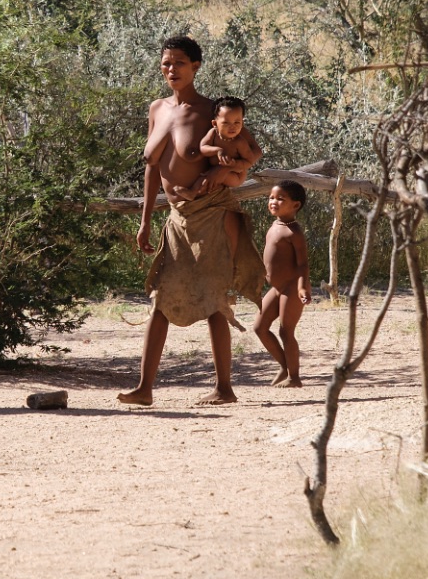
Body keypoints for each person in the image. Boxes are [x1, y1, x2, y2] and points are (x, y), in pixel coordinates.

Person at [119, 37, 265, 407]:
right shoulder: (157, 108)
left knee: (213, 296)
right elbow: (152, 168)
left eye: (179, 63)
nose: (171, 70)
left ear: (196, 66)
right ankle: (144, 389)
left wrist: (216, 175)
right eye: (166, 63)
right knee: (162, 297)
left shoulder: (213, 113)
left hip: (211, 213)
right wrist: (146, 220)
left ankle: (224, 388)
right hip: (176, 216)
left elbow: (245, 161)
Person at [169, 95, 263, 259]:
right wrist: (217, 151)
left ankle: (194, 192)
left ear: (242, 122)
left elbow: (248, 161)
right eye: (226, 123)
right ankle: (194, 192)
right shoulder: (213, 134)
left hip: (235, 175)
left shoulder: (239, 142)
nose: (232, 127)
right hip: (218, 169)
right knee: (207, 175)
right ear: (214, 123)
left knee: (212, 175)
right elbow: (203, 147)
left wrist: (230, 166)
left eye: (237, 122)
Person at [254, 180, 311, 387]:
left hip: (291, 288)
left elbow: (303, 264)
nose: (273, 201)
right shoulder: (274, 226)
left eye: (280, 199)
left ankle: (294, 378)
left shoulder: (293, 232)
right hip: (276, 288)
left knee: (286, 331)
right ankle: (284, 367)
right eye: (271, 197)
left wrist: (302, 287)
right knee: (260, 327)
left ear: (295, 205)